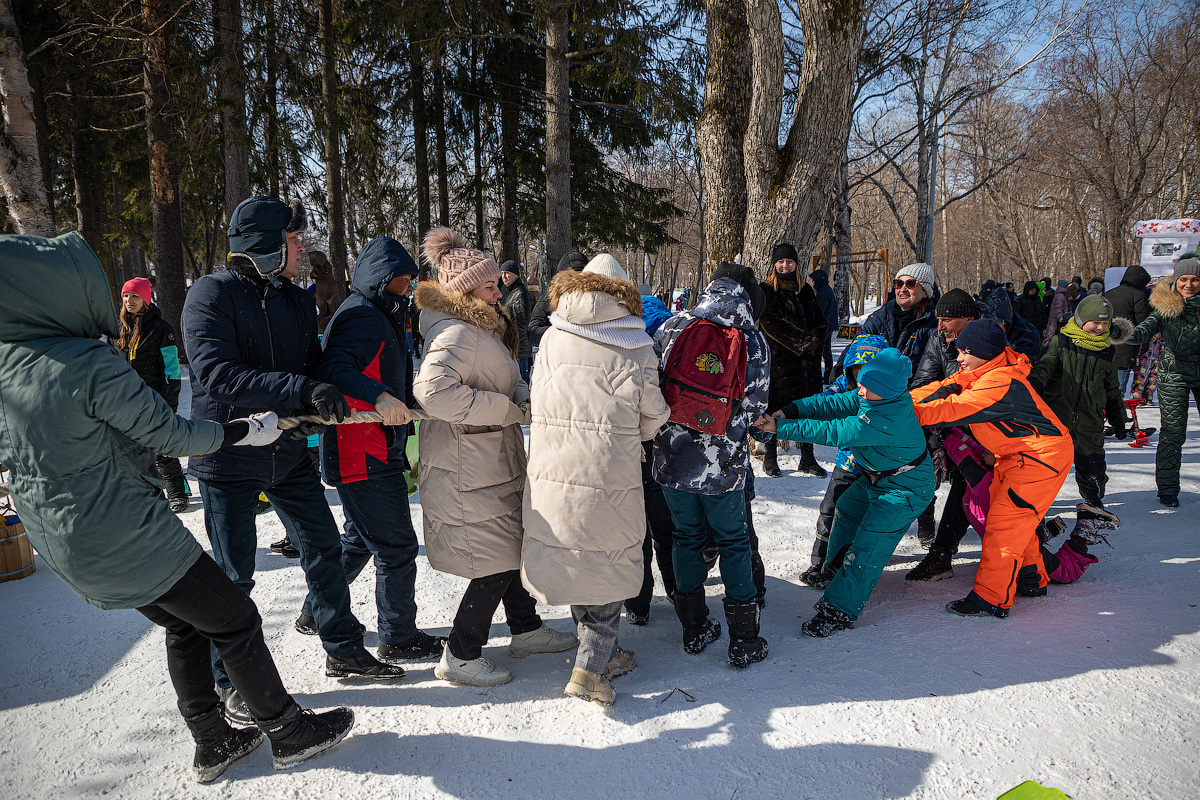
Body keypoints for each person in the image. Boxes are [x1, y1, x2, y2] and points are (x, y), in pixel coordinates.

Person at [0, 232, 353, 783]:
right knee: (235, 618)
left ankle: (212, 742)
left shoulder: (6, 366)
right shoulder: (86, 362)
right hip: (127, 533)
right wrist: (243, 432)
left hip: (66, 544)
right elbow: (171, 435)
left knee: (188, 624)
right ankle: (286, 731)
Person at [183, 196, 404, 723]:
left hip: (287, 452)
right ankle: (229, 680)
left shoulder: (298, 301)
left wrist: (337, 389)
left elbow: (314, 367)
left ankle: (343, 647)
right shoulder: (211, 295)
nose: (302, 247)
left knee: (325, 549)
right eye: (293, 238)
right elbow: (217, 374)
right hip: (229, 456)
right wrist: (301, 388)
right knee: (234, 576)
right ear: (263, 244)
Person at [414, 227, 577, 687]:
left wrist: (529, 396)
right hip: (468, 466)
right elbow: (431, 391)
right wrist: (505, 410)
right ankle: (460, 654)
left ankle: (524, 629)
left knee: (510, 548)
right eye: (489, 285)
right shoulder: (458, 333)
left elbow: (501, 380)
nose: (498, 288)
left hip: (489, 461)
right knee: (495, 560)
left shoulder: (482, 327)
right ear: (465, 289)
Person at [521, 255, 670, 706]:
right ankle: (590, 669)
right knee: (605, 563)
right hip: (609, 468)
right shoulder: (635, 343)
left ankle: (603, 652)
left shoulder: (552, 334)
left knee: (576, 558)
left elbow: (538, 396)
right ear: (623, 293)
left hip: (553, 466)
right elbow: (653, 416)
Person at [294, 236, 445, 662]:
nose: (410, 287)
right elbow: (335, 369)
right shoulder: (362, 315)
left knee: (360, 539)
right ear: (382, 279)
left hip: (375, 446)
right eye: (403, 280)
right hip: (361, 449)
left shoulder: (380, 311)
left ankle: (314, 610)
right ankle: (398, 635)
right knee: (395, 547)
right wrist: (379, 397)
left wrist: (404, 397)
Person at [757, 347, 934, 636]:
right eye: (861, 383)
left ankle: (839, 610)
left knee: (868, 547)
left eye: (867, 387)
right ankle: (834, 568)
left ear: (887, 391)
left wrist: (780, 427)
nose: (860, 391)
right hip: (878, 477)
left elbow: (834, 431)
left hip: (905, 489)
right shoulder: (874, 396)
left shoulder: (887, 417)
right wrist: (792, 409)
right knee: (848, 507)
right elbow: (833, 403)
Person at [910, 319, 1073, 618]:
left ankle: (991, 598)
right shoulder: (983, 371)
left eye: (964, 352)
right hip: (1015, 456)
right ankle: (1032, 578)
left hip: (1040, 460)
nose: (958, 359)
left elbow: (950, 409)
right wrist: (901, 402)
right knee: (1014, 521)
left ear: (984, 353)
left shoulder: (998, 383)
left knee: (1004, 527)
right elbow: (943, 390)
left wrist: (903, 414)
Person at [653, 262, 770, 668]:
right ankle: (744, 639)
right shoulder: (753, 338)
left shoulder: (673, 326)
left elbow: (653, 388)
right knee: (734, 542)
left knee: (685, 537)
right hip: (724, 467)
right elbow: (755, 405)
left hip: (673, 459)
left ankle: (694, 627)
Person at [1030, 294, 1130, 538]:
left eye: (1105, 324)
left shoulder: (1106, 350)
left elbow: (1111, 388)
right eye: (1095, 322)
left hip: (1090, 421)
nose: (1100, 328)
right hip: (1057, 417)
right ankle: (1036, 508)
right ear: (1082, 318)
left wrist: (1118, 416)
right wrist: (1032, 385)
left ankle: (1094, 504)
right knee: (1046, 468)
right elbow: (1046, 367)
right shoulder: (1062, 341)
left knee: (1093, 468)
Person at [794, 334, 887, 587]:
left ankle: (844, 564)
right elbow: (821, 403)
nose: (862, 377)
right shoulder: (844, 388)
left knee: (864, 517)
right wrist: (791, 413)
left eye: (869, 370)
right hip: (848, 463)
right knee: (830, 509)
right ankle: (819, 561)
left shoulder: (892, 396)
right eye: (857, 370)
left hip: (879, 469)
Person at [1125, 256, 1200, 508]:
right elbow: (1145, 329)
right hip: (1173, 371)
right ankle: (1168, 489)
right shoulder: (1166, 307)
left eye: (1195, 279)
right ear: (1176, 281)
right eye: (1184, 279)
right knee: (1173, 432)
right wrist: (1121, 332)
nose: (1188, 285)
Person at [114, 276, 188, 512]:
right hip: (128, 399)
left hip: (156, 397)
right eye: (126, 295)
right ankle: (146, 493)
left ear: (145, 299)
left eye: (134, 295)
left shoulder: (160, 328)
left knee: (163, 447)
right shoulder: (121, 328)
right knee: (133, 449)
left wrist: (170, 400)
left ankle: (177, 491)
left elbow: (173, 370)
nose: (129, 300)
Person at [758, 243, 827, 478]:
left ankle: (808, 458)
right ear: (774, 264)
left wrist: (816, 339)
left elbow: (821, 320)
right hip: (779, 362)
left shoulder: (806, 290)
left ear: (796, 264)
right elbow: (770, 323)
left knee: (808, 409)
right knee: (774, 408)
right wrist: (800, 342)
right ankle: (770, 457)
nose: (785, 265)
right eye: (780, 261)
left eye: (789, 261)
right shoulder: (766, 290)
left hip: (807, 364)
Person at [1105, 265, 1152, 397]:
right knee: (1119, 384)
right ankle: (1116, 412)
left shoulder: (1109, 293)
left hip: (1107, 341)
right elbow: (1143, 322)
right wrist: (1144, 344)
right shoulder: (1138, 295)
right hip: (1127, 343)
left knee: (1106, 381)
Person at [528, 251, 587, 346]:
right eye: (571, 276)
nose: (576, 280)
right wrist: (564, 332)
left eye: (581, 276)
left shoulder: (594, 297)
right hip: (558, 354)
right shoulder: (551, 296)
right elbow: (533, 331)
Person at [499, 260, 533, 381]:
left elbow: (523, 323)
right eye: (502, 273)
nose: (503, 276)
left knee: (520, 381)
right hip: (512, 346)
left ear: (516, 275)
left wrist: (508, 335)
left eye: (507, 273)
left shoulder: (520, 292)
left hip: (519, 349)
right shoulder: (509, 290)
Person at [809, 268, 840, 382]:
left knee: (820, 351)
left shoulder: (823, 292)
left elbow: (819, 310)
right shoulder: (827, 290)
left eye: (814, 280)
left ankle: (825, 375)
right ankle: (828, 375)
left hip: (825, 325)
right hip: (829, 324)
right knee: (826, 351)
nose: (813, 283)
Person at [309, 250, 342, 334]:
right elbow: (312, 275)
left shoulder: (327, 266)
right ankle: (322, 321)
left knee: (332, 307)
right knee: (321, 306)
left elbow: (327, 276)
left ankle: (332, 321)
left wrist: (319, 276)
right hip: (320, 290)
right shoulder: (316, 268)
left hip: (329, 289)